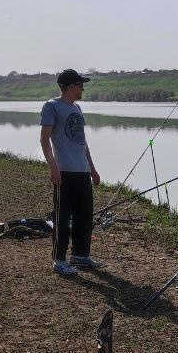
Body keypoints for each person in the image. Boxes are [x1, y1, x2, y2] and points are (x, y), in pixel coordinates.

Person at [40, 68, 102, 275]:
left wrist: (92, 169)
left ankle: (80, 255)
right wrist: (53, 168)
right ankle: (59, 260)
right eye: (80, 85)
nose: (83, 88)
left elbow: (82, 143)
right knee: (62, 218)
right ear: (70, 87)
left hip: (82, 172)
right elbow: (44, 139)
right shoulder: (52, 106)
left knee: (85, 217)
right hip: (64, 172)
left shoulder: (77, 108)